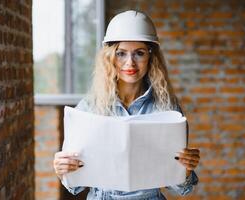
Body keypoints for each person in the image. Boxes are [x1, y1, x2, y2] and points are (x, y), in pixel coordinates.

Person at [53, 10, 200, 200]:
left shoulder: (168, 109)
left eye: (139, 53)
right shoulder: (89, 107)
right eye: (121, 53)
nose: (130, 63)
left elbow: (180, 188)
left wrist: (186, 170)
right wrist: (63, 169)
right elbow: (76, 186)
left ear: (151, 57)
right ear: (110, 57)